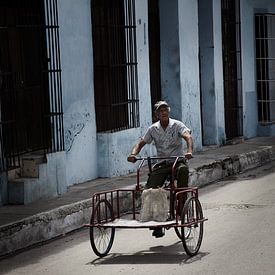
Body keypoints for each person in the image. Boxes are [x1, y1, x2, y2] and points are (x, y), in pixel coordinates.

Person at [127, 100, 193, 237]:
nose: (163, 113)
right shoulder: (153, 129)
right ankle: (156, 222)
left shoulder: (177, 125)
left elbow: (187, 137)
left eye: (165, 110)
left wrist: (189, 151)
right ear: (156, 114)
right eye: (160, 111)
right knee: (151, 188)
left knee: (183, 170)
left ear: (168, 112)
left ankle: (181, 204)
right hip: (162, 163)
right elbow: (140, 143)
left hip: (178, 161)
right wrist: (133, 154)